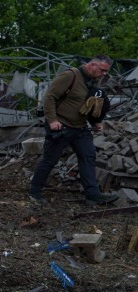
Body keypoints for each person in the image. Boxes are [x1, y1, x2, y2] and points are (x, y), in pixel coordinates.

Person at [29, 55, 118, 207]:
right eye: (102, 70)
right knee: (50, 160)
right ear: (92, 65)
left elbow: (88, 104)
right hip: (61, 125)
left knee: (88, 157)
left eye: (106, 71)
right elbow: (49, 97)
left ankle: (93, 195)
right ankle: (35, 192)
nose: (104, 74)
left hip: (80, 127)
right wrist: (52, 120)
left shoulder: (94, 80)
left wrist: (95, 122)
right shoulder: (70, 75)